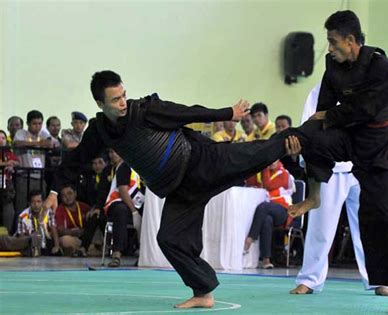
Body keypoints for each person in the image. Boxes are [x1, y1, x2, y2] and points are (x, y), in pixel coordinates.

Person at [45, 70, 299, 309]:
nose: (123, 102)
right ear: (100, 104)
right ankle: (203, 292)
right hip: (181, 187)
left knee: (259, 152)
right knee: (169, 239)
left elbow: (186, 113)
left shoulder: (144, 110)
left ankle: (308, 137)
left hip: (202, 160)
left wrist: (227, 112)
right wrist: (54, 192)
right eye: (115, 99)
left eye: (123, 95)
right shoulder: (99, 131)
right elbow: (75, 161)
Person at [285, 10, 388, 314]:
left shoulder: (380, 67)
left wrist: (327, 116)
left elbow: (365, 110)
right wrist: (300, 136)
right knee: (308, 137)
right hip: (349, 139)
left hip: (377, 151)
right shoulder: (333, 65)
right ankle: (314, 196)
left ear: (351, 41)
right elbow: (323, 108)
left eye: (332, 42)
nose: (329, 48)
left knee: (380, 218)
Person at [290, 83, 388, 297]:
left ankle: (379, 278)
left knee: (369, 225)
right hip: (331, 165)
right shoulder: (322, 89)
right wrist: (307, 159)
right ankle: (309, 279)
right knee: (321, 225)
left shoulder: (371, 85)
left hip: (364, 162)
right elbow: (308, 124)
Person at [244, 160, 294, 269]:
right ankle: (266, 260)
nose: (271, 163)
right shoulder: (265, 173)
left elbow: (267, 185)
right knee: (266, 220)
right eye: (269, 161)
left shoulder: (284, 174)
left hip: (283, 210)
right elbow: (250, 184)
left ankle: (250, 238)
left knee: (263, 207)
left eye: (273, 160)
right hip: (269, 211)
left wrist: (265, 167)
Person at [103, 149, 145, 267]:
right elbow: (123, 191)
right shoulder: (125, 166)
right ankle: (116, 255)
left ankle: (144, 255)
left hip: (137, 204)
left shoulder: (145, 169)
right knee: (121, 210)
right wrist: (134, 212)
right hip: (118, 202)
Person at [16, 190, 60, 256]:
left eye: (38, 202)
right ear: (29, 203)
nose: (36, 205)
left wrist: (57, 246)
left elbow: (54, 229)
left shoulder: (48, 212)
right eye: (33, 202)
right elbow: (21, 237)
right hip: (30, 244)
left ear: (43, 202)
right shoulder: (22, 216)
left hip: (46, 243)